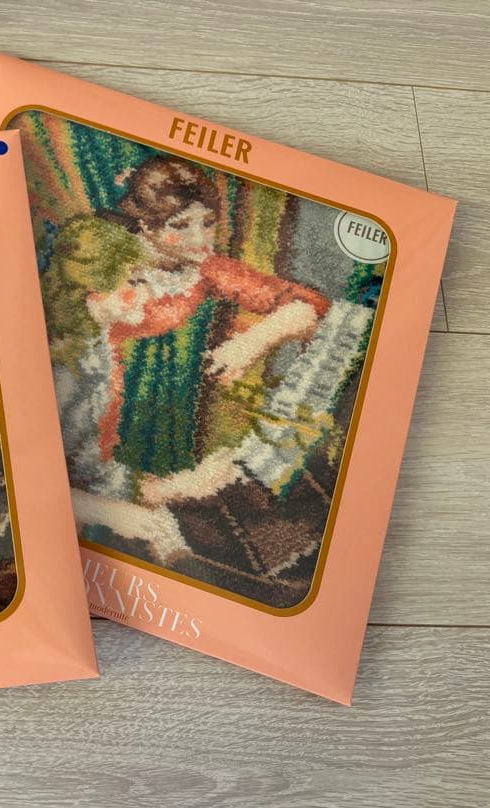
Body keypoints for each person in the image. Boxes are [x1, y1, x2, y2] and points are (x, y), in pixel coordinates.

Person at [43, 156, 331, 563]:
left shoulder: (201, 267)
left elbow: (307, 306)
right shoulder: (105, 262)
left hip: (154, 413)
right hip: (90, 399)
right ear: (145, 226)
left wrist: (253, 342)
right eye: (180, 226)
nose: (200, 239)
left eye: (208, 223)